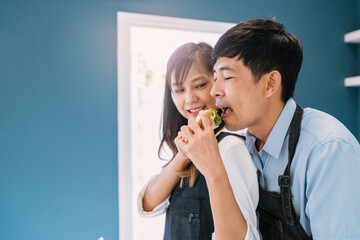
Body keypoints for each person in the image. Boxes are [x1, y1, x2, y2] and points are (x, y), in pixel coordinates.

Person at [176, 18, 360, 239]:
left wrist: (214, 170)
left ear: (270, 83)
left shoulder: (328, 150)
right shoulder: (245, 146)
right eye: (215, 78)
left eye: (227, 77)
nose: (214, 91)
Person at [137, 42, 260, 240]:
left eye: (200, 85)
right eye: (178, 90)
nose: (189, 99)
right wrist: (182, 156)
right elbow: (148, 205)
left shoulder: (231, 148)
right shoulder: (189, 145)